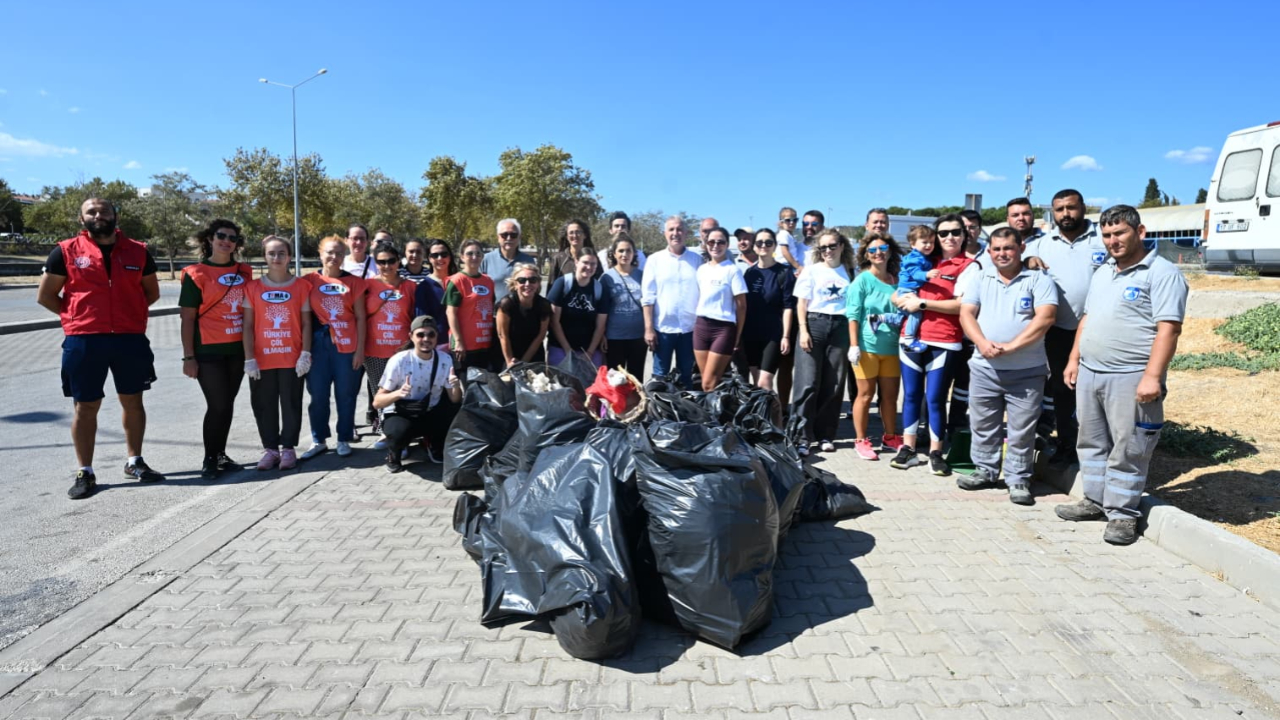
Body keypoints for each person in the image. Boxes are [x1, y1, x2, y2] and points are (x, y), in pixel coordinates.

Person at [1055, 205, 1188, 546]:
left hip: (1131, 376)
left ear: (1139, 232)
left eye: (1120, 233)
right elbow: (1086, 320)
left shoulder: (1162, 273)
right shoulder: (1103, 273)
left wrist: (1152, 377)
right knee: (1092, 441)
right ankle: (1095, 500)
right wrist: (1074, 359)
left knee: (1129, 448)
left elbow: (1168, 330)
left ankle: (1122, 515)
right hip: (1090, 373)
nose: (1113, 241)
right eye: (1107, 235)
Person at [38, 198, 164, 498]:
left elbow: (151, 293)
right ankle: (86, 471)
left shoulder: (138, 250)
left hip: (129, 338)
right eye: (91, 212)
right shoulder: (65, 251)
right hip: (84, 339)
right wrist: (77, 318)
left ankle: (135, 462)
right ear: (82, 219)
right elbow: (46, 295)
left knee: (133, 401)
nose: (98, 215)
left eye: (104, 211)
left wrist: (127, 315)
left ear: (114, 216)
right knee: (85, 406)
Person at [956, 228, 1058, 505]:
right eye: (997, 249)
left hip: (1027, 371)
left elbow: (1045, 318)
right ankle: (985, 471)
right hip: (984, 368)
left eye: (1008, 248)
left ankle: (1018, 479)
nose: (1002, 254)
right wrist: (981, 343)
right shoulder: (980, 278)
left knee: (1022, 429)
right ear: (989, 252)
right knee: (983, 424)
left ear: (1021, 248)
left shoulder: (1038, 280)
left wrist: (1012, 347)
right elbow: (966, 313)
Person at [1023, 189, 1109, 468]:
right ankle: (1067, 446)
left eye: (1071, 208)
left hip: (1100, 329)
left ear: (1083, 207)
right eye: (1059, 209)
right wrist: (1028, 262)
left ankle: (1100, 449)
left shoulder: (1103, 238)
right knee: (1063, 389)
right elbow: (1018, 267)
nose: (1065, 214)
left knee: (1098, 389)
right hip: (1059, 331)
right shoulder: (1043, 244)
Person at [890, 214, 980, 476]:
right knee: (910, 396)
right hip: (911, 337)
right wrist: (900, 298)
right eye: (943, 233)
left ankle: (936, 451)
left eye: (955, 232)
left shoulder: (969, 266)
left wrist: (922, 304)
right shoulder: (922, 259)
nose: (949, 237)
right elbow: (898, 292)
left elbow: (963, 305)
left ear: (964, 235)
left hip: (944, 340)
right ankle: (907, 448)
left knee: (935, 399)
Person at [179, 219, 253, 477]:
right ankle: (210, 459)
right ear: (209, 239)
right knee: (218, 404)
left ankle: (220, 454)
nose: (227, 241)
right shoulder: (194, 273)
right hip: (207, 351)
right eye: (221, 236)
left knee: (227, 404)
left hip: (238, 350)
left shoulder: (245, 271)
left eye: (232, 238)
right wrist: (189, 357)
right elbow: (187, 318)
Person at [241, 236, 312, 471]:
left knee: (291, 404)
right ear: (265, 257)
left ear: (289, 256)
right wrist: (249, 358)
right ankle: (270, 449)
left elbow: (306, 324)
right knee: (263, 404)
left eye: (282, 253)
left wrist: (306, 353)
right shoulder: (252, 288)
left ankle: (288, 448)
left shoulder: (302, 287)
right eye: (271, 253)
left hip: (292, 359)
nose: (277, 258)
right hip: (263, 360)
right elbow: (248, 326)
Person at [299, 235, 367, 461]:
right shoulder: (308, 281)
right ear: (320, 254)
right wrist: (305, 351)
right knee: (317, 394)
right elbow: (304, 318)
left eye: (339, 253)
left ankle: (343, 438)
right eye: (330, 252)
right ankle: (319, 439)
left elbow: (360, 319)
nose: (334, 257)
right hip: (318, 345)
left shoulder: (355, 283)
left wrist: (360, 351)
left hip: (347, 346)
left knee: (345, 394)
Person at [792, 228, 855, 455]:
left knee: (835, 384)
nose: (828, 251)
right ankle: (800, 436)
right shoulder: (812, 271)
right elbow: (801, 303)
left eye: (832, 246)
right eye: (823, 247)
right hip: (814, 324)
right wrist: (803, 330)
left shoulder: (850, 272)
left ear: (841, 247)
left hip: (840, 327)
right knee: (807, 383)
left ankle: (826, 434)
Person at [844, 232, 905, 461]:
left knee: (890, 397)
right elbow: (853, 314)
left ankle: (890, 437)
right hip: (867, 348)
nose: (878, 253)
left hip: (892, 348)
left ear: (889, 251)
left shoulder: (897, 279)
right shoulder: (862, 280)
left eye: (882, 249)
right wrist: (853, 345)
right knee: (865, 395)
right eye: (872, 250)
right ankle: (861, 440)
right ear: (866, 255)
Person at [375, 315, 463, 472]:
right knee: (398, 432)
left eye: (431, 334)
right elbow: (377, 402)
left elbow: (454, 399)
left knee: (456, 411)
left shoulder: (444, 359)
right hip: (402, 412)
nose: (426, 339)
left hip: (429, 410)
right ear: (411, 336)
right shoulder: (399, 360)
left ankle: (432, 442)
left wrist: (456, 386)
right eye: (420, 334)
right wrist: (398, 394)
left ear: (437, 337)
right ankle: (394, 453)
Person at [362, 243, 417, 448]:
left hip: (402, 352)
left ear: (398, 261)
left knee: (403, 393)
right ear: (376, 263)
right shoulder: (367, 286)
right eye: (381, 262)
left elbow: (415, 317)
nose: (386, 266)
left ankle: (404, 435)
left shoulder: (410, 287)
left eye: (391, 261)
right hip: (374, 350)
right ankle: (386, 432)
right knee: (381, 394)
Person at [642, 216, 702, 388]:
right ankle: (660, 413)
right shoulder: (654, 260)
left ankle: (687, 414)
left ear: (686, 233)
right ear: (665, 234)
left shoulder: (696, 260)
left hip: (689, 329)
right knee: (660, 379)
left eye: (680, 229)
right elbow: (648, 297)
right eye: (671, 229)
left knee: (687, 378)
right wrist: (648, 329)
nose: (676, 233)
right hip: (663, 329)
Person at [693, 227, 747, 391]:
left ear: (727, 244)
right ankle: (715, 413)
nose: (715, 245)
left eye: (720, 242)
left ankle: (713, 416)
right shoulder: (701, 270)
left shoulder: (732, 270)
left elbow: (742, 306)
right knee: (706, 382)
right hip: (701, 326)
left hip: (723, 328)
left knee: (709, 382)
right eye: (711, 242)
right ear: (705, 244)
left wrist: (737, 334)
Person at [741, 228, 794, 391]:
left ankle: (774, 417)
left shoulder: (784, 273)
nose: (764, 245)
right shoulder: (749, 273)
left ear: (774, 246)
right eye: (759, 242)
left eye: (768, 242)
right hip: (750, 334)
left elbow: (788, 307)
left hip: (773, 335)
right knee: (757, 383)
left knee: (765, 382)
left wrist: (786, 336)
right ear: (754, 246)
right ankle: (760, 416)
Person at [547, 250, 610, 366]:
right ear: (576, 262)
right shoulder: (562, 283)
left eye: (593, 264)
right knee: (559, 383)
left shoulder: (598, 288)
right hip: (560, 348)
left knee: (591, 383)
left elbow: (600, 325)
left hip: (589, 350)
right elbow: (554, 321)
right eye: (585, 262)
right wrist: (568, 350)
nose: (589, 267)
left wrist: (590, 353)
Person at [446, 239, 498, 374]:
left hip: (485, 343)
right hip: (464, 346)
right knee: (466, 388)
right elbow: (451, 313)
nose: (474, 257)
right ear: (462, 257)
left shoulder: (488, 281)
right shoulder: (457, 281)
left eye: (478, 253)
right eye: (469, 254)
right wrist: (458, 341)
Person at [601, 234, 648, 379]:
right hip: (615, 337)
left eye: (628, 251)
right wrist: (602, 335)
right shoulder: (606, 277)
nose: (624, 254)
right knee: (615, 380)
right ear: (614, 254)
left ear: (634, 253)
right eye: (620, 251)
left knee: (636, 379)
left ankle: (636, 403)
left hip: (638, 337)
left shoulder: (643, 276)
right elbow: (602, 310)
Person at [495, 263, 552, 366]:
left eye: (532, 280)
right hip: (508, 353)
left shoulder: (544, 305)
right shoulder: (506, 304)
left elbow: (541, 336)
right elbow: (503, 335)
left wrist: (524, 362)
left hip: (534, 354)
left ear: (538, 283)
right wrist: (510, 362)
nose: (527, 284)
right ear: (515, 284)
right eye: (522, 280)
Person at [897, 225, 941, 353]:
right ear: (913, 244)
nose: (929, 245)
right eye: (924, 242)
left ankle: (881, 318)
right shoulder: (914, 258)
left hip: (910, 290)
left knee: (901, 316)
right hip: (908, 290)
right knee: (916, 313)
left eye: (932, 242)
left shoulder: (923, 257)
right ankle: (909, 339)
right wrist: (927, 275)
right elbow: (915, 273)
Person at [481, 218, 535, 304]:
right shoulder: (485, 259)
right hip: (492, 314)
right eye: (504, 235)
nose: (509, 238)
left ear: (519, 237)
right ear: (498, 237)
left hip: (521, 314)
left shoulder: (528, 260)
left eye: (513, 235)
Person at [417, 239, 457, 350]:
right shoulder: (424, 287)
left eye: (444, 254)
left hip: (462, 343)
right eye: (435, 255)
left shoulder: (460, 281)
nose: (440, 258)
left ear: (450, 256)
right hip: (438, 345)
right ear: (429, 259)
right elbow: (422, 321)